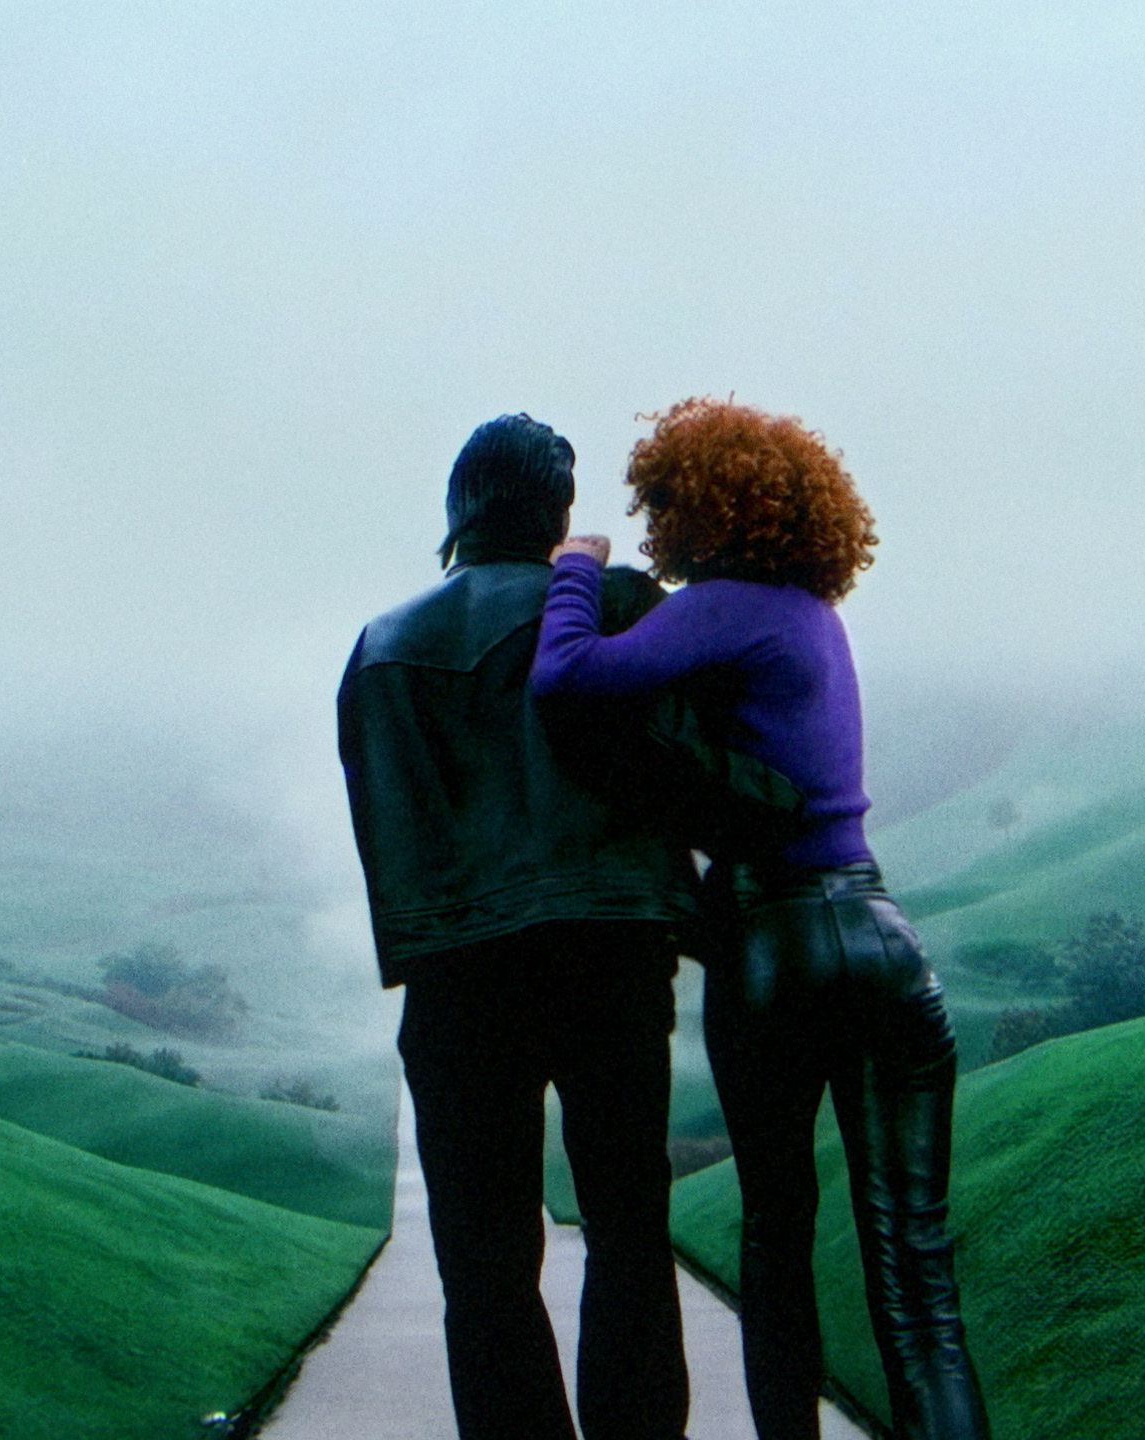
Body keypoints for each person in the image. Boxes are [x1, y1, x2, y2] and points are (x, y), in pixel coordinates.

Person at [530, 398, 992, 1440]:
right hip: (879, 935)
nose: (656, 528)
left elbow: (565, 678)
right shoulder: (816, 617)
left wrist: (576, 568)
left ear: (701, 506)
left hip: (775, 944)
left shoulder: (723, 607)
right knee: (918, 1280)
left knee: (777, 1246)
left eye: (662, 505)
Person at [336, 413, 695, 1440]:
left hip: (458, 980)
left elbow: (384, 829)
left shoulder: (383, 649)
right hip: (611, 957)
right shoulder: (617, 608)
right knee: (629, 1234)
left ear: (459, 508)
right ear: (557, 513)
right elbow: (678, 767)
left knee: (484, 1271)